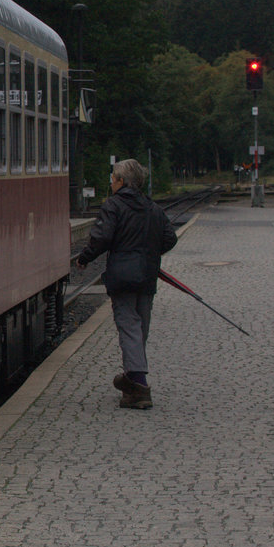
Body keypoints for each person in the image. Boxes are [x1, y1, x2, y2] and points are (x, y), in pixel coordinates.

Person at [75, 159, 177, 409]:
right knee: (140, 327)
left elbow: (102, 236)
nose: (111, 184)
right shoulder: (152, 208)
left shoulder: (114, 206)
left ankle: (139, 386)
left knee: (129, 326)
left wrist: (84, 258)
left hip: (122, 276)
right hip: (146, 276)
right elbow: (169, 238)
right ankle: (132, 379)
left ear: (121, 182)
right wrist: (149, 253)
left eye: (112, 180)